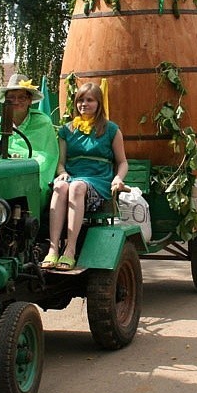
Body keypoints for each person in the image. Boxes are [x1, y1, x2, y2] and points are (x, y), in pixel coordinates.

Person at [43, 82, 128, 271]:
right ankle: (53, 248)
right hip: (73, 176)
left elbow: (122, 162)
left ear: (99, 104)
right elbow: (61, 162)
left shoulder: (111, 129)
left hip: (99, 180)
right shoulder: (67, 130)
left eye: (89, 100)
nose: (84, 104)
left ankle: (70, 250)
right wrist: (62, 173)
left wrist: (118, 178)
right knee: (59, 187)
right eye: (80, 100)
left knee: (77, 187)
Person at [0, 73, 59, 199]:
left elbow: (49, 156)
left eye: (22, 97)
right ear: (5, 100)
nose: (16, 101)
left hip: (33, 175)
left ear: (29, 100)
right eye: (11, 97)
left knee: (25, 188)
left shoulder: (42, 122)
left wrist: (24, 164)